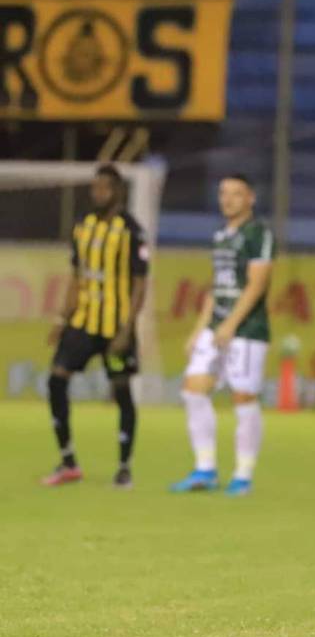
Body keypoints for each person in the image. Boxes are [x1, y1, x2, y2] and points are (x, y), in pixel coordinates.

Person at [43, 164, 150, 489]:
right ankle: (68, 462)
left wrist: (127, 329)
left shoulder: (131, 230)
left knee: (121, 391)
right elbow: (77, 277)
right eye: (95, 187)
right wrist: (62, 319)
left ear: (117, 191)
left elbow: (140, 284)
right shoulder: (83, 226)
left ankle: (124, 467)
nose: (98, 193)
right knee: (56, 380)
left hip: (116, 327)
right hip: (83, 323)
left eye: (104, 187)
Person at [170, 174, 275, 496]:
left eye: (236, 194)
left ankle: (243, 475)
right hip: (216, 325)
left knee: (243, 398)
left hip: (247, 330)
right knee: (193, 390)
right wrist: (199, 329)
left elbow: (257, 284)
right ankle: (205, 469)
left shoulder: (258, 233)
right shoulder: (220, 236)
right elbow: (217, 286)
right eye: (223, 193)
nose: (228, 200)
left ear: (250, 198)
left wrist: (231, 323)